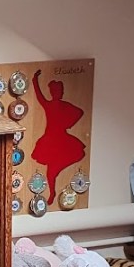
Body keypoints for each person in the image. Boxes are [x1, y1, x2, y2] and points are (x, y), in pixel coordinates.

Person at [31, 69, 86, 204]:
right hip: (50, 140)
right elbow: (39, 96)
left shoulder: (65, 105)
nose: (57, 93)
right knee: (51, 171)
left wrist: (68, 124)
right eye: (55, 91)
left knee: (56, 167)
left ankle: (59, 189)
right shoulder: (49, 105)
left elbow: (80, 112)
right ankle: (52, 192)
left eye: (59, 91)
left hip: (61, 139)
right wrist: (34, 80)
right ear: (52, 92)